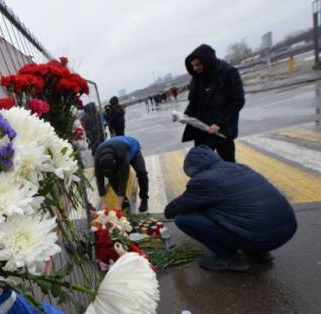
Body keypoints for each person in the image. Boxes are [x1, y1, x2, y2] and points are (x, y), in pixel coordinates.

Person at [164, 146, 297, 271]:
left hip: (260, 238)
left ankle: (228, 259)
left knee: (183, 220)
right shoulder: (240, 167)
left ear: (193, 168)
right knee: (240, 210)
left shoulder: (204, 180)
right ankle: (259, 253)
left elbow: (175, 209)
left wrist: (167, 212)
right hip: (286, 231)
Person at [174, 44, 245, 162]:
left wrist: (219, 123)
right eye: (193, 66)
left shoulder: (228, 72)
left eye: (198, 64)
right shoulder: (197, 78)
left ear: (208, 61)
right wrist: (185, 116)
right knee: (204, 164)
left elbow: (238, 101)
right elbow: (193, 103)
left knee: (228, 164)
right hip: (202, 131)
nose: (195, 68)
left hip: (222, 131)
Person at [94, 136, 149, 212]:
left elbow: (123, 180)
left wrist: (118, 205)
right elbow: (99, 181)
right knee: (112, 179)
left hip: (131, 147)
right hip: (113, 148)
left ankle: (144, 198)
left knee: (142, 172)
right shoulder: (97, 160)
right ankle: (125, 203)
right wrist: (103, 204)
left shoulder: (122, 156)